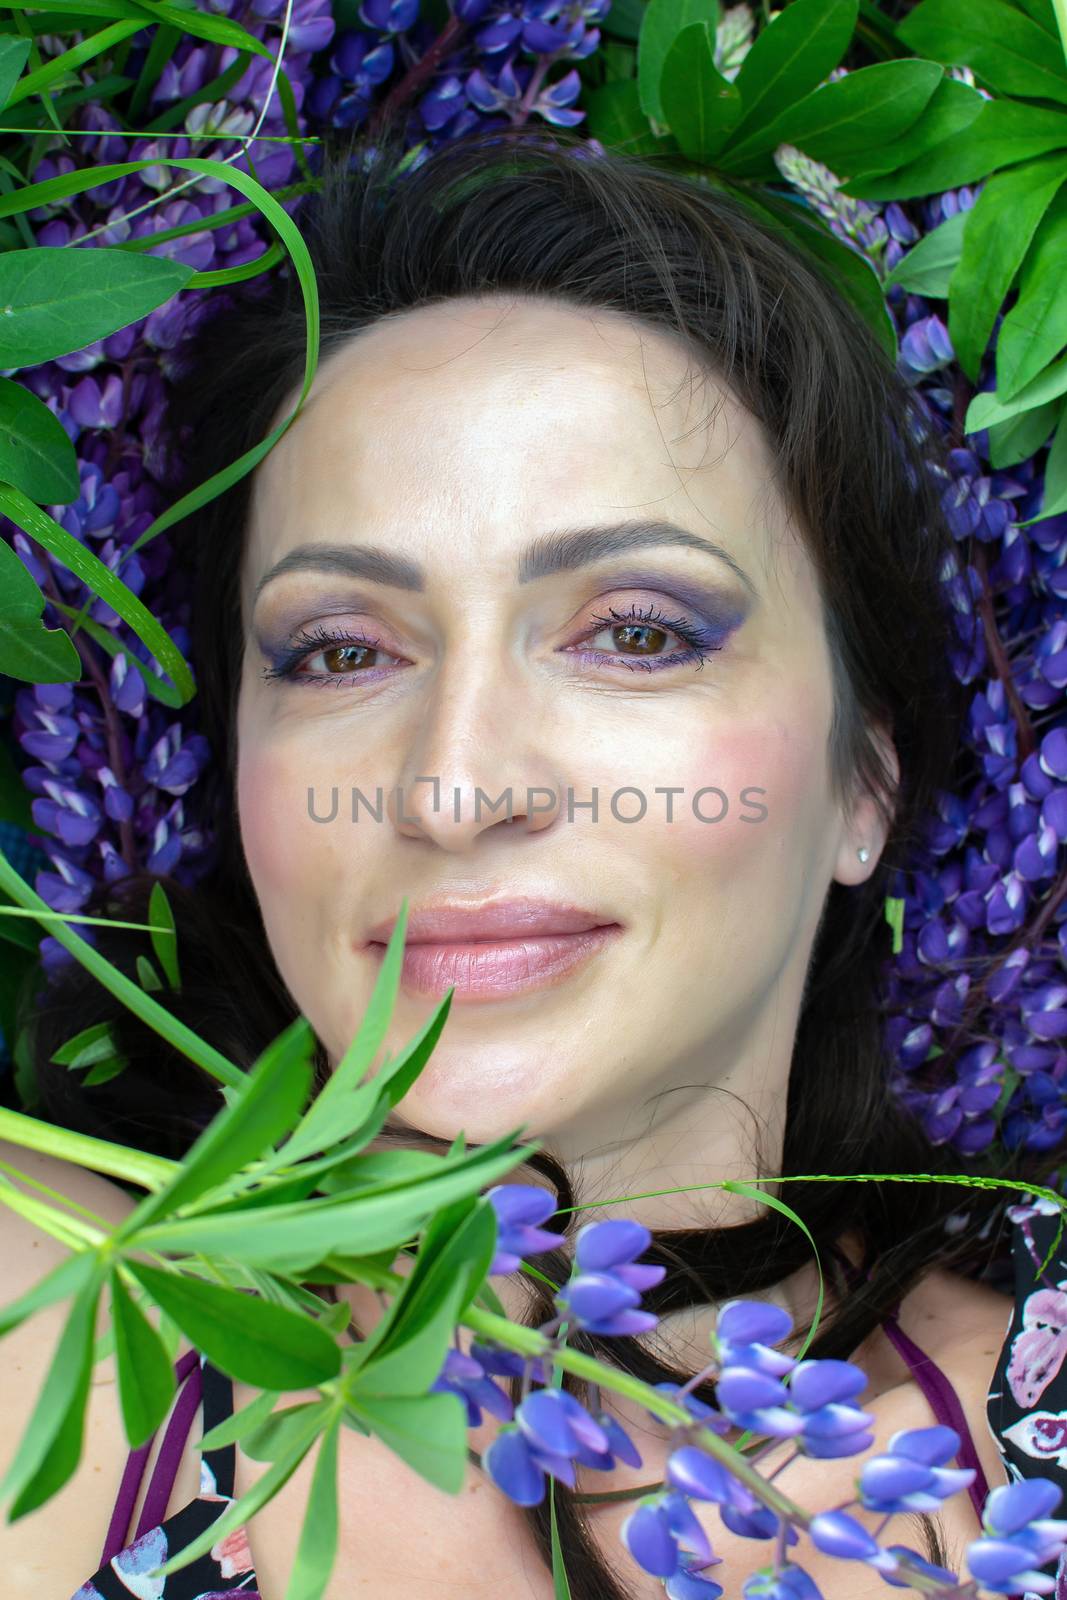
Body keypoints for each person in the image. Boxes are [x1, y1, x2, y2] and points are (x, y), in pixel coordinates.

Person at [0, 122, 1043, 1599]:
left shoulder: (1029, 1409)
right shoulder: (41, 1295)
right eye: (341, 649)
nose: (455, 785)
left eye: (636, 633)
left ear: (864, 779)